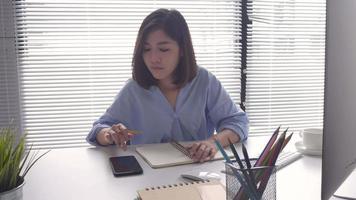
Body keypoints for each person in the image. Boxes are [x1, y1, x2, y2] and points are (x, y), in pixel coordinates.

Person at [86, 8, 249, 162]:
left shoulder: (204, 81)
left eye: (163, 49)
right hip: (149, 176)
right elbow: (98, 129)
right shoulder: (134, 89)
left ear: (182, 49)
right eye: (146, 49)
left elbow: (238, 122)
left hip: (198, 171)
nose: (153, 58)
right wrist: (109, 134)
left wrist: (212, 142)